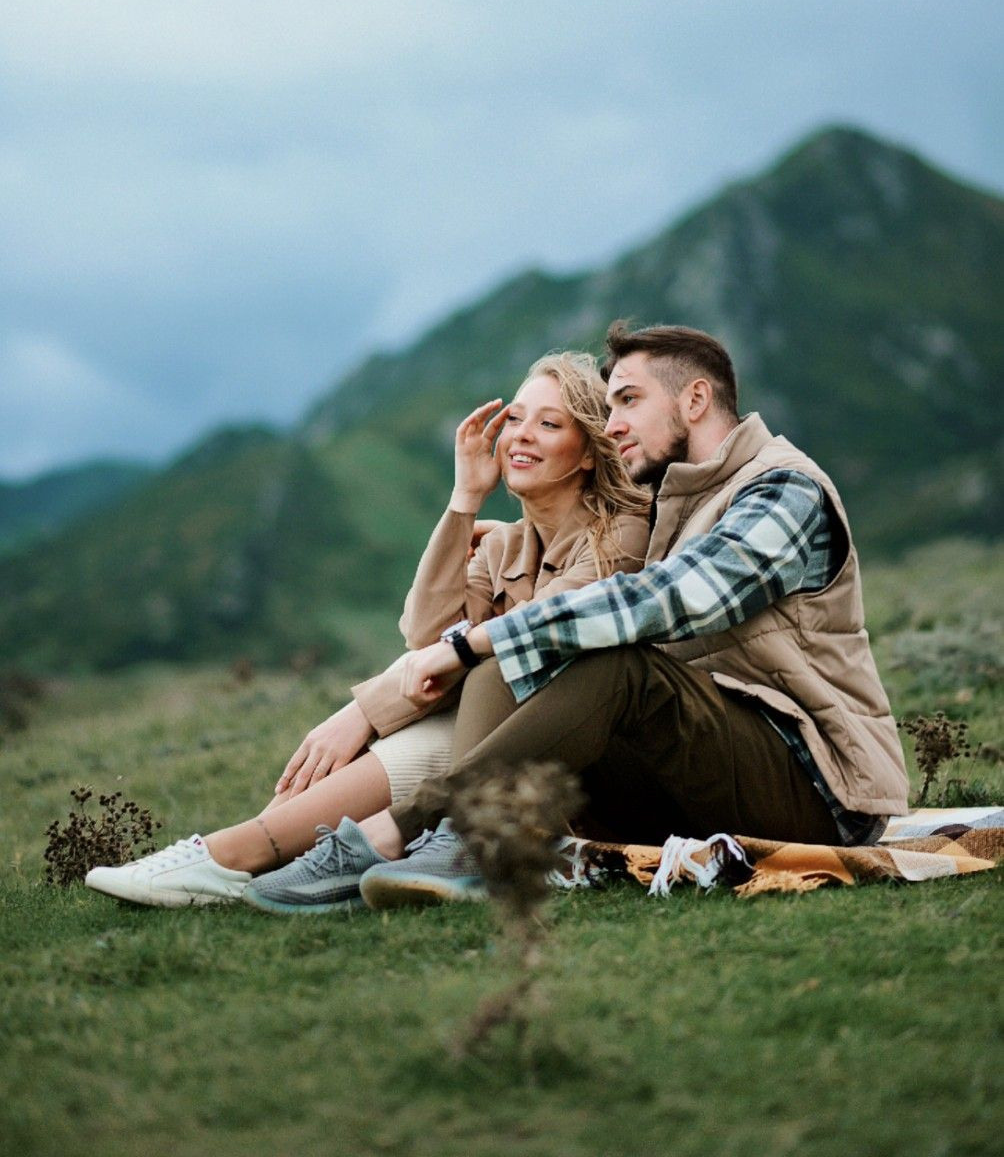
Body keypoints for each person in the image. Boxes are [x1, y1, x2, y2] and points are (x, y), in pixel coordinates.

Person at [252, 321, 911, 913]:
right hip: (699, 777)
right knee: (508, 664)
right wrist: (476, 555)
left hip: (816, 792)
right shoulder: (671, 501)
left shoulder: (782, 489)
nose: (613, 420)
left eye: (628, 400)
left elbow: (672, 600)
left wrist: (471, 641)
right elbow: (445, 628)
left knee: (610, 664)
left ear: (695, 401)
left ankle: (420, 830)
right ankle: (461, 840)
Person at [84, 351, 650, 908]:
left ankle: (235, 856)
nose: (521, 436)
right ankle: (242, 857)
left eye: (548, 424)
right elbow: (427, 634)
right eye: (516, 419)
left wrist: (360, 713)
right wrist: (464, 498)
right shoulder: (500, 544)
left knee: (432, 728)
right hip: (495, 752)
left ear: (586, 454)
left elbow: (519, 643)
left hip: (578, 768)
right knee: (413, 734)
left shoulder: (620, 536)